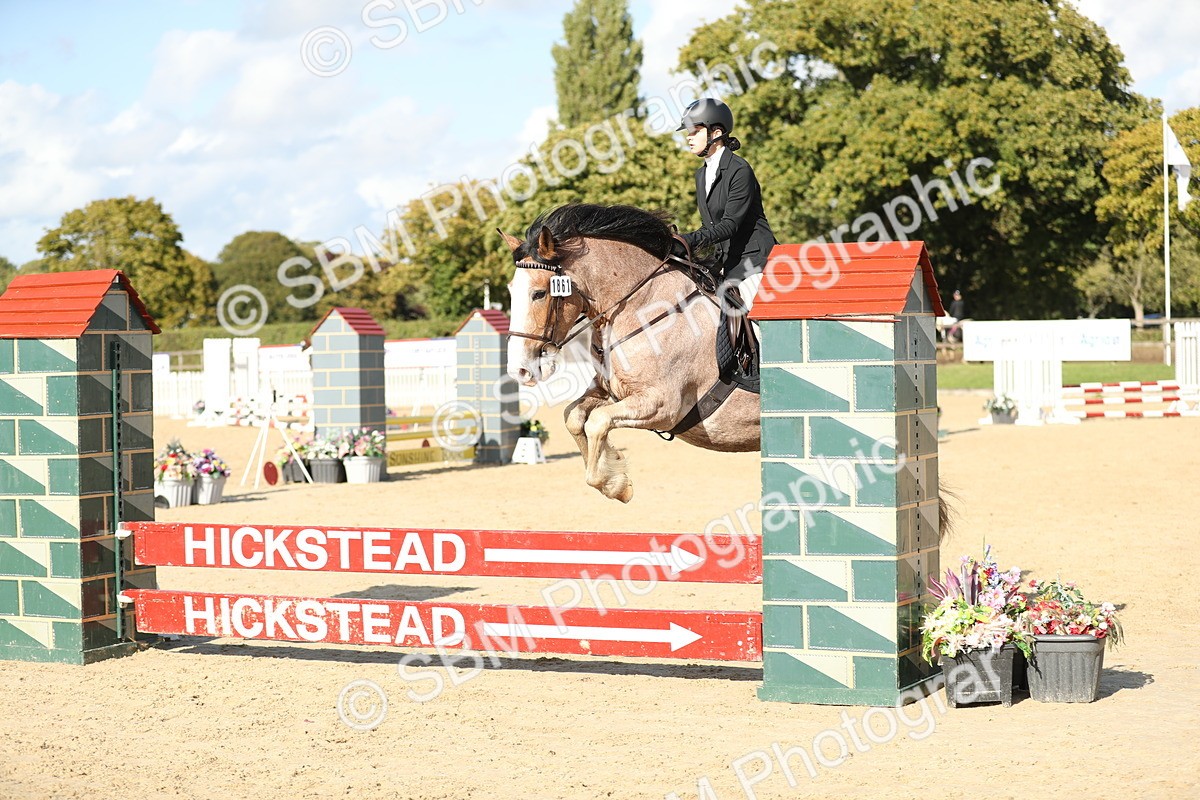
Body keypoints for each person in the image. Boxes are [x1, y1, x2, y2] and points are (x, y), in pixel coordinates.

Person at [676, 98, 776, 312]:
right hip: (726, 263)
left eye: (695, 132)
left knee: (751, 317)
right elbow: (710, 226)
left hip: (754, 262)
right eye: (688, 133)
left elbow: (730, 225)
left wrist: (688, 240)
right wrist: (682, 244)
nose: (689, 137)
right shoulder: (701, 174)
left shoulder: (739, 170)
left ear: (716, 133)